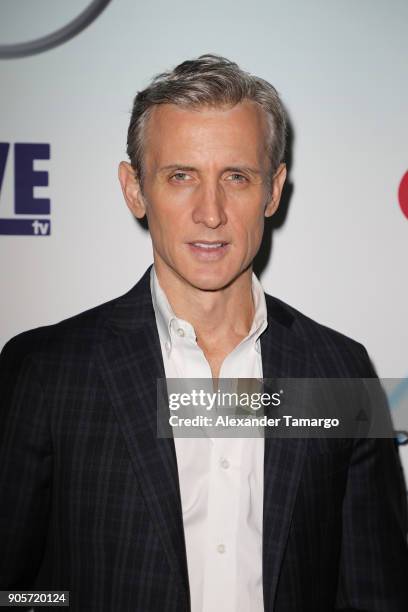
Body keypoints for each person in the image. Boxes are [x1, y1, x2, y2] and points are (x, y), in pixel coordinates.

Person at [0, 54, 407, 612]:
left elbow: (376, 593)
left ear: (273, 190)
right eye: (181, 176)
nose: (210, 212)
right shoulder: (45, 371)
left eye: (236, 177)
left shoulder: (337, 368)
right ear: (134, 189)